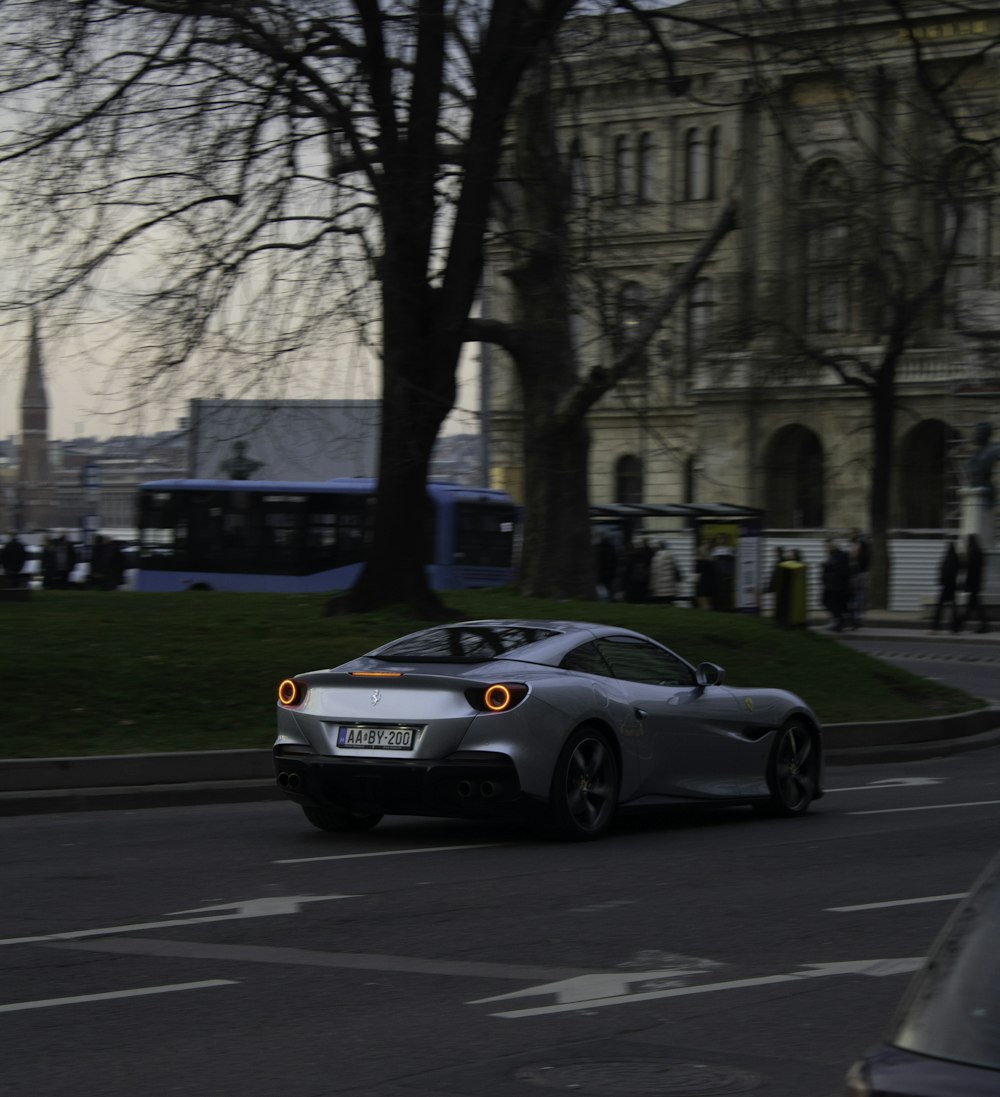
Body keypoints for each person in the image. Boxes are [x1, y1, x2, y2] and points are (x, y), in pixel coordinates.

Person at [959, 533, 990, 633]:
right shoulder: (979, 552)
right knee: (974, 605)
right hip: (977, 583)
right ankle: (983, 625)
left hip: (973, 583)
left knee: (973, 605)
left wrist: (967, 583)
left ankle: (959, 624)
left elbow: (970, 570)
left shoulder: (973, 553)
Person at [930, 539, 961, 634]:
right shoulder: (956, 559)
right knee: (953, 608)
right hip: (952, 587)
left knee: (940, 608)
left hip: (946, 587)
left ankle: (935, 627)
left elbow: (943, 571)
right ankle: (955, 628)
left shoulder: (947, 559)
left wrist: (941, 581)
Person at [822, 538, 853, 631]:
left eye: (828, 545)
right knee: (828, 602)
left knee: (832, 603)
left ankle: (841, 622)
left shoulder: (841, 555)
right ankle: (840, 621)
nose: (826, 548)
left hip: (837, 586)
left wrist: (827, 566)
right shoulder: (833, 555)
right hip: (831, 585)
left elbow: (842, 571)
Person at [693, 543, 717, 609]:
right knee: (709, 605)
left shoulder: (701, 563)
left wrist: (694, 583)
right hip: (711, 586)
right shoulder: (711, 561)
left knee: (704, 606)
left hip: (702, 587)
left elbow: (696, 577)